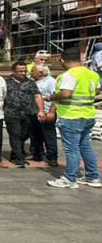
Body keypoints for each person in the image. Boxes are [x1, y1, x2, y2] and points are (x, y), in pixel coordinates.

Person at [46, 48, 101, 188]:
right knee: (85, 147)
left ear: (62, 60)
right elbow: (97, 90)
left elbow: (65, 93)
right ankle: (92, 177)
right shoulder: (92, 74)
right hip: (87, 115)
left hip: (71, 116)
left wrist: (51, 97)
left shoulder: (69, 75)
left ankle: (70, 178)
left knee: (72, 149)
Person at [3, 61, 44, 168]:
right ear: (13, 71)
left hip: (27, 113)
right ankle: (19, 158)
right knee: (15, 135)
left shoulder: (30, 82)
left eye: (24, 71)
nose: (22, 73)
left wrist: (41, 110)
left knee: (24, 135)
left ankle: (15, 153)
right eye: (20, 71)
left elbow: (37, 96)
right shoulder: (5, 82)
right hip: (11, 113)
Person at [31, 63, 59, 167]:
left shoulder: (50, 82)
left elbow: (55, 97)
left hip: (47, 112)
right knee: (35, 134)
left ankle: (52, 157)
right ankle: (37, 154)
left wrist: (52, 112)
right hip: (35, 112)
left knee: (49, 135)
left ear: (40, 72)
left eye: (32, 70)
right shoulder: (34, 82)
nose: (30, 72)